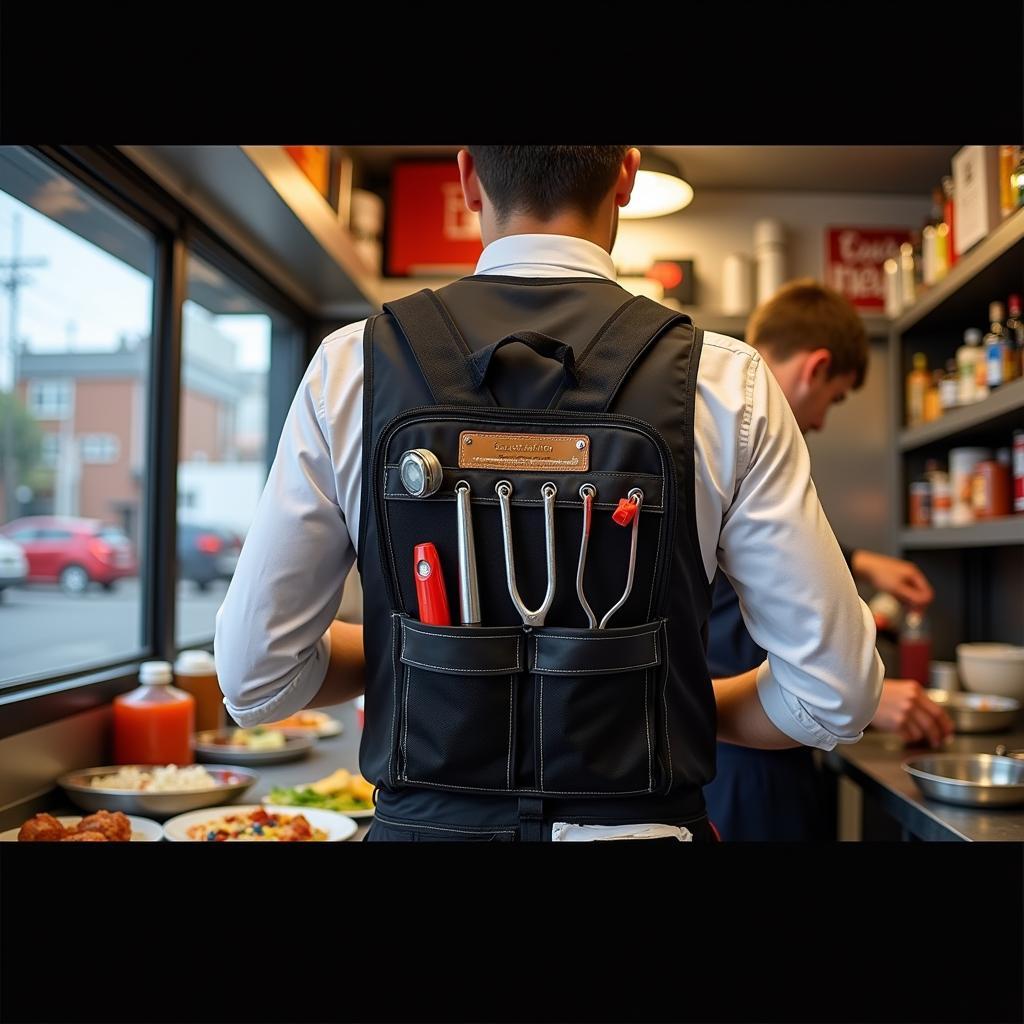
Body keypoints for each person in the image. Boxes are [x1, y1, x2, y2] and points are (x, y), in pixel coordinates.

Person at [214, 147, 884, 842]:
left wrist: (401, 656)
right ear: (624, 175)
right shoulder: (726, 384)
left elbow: (257, 681)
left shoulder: (351, 368)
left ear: (469, 177)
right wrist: (662, 701)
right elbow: (836, 697)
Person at [703, 279, 953, 841]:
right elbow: (753, 616)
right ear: (815, 368)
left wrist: (861, 561)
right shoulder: (750, 430)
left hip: (722, 751)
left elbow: (750, 557)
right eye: (834, 399)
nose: (819, 420)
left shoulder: (705, 425)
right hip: (748, 763)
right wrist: (862, 697)